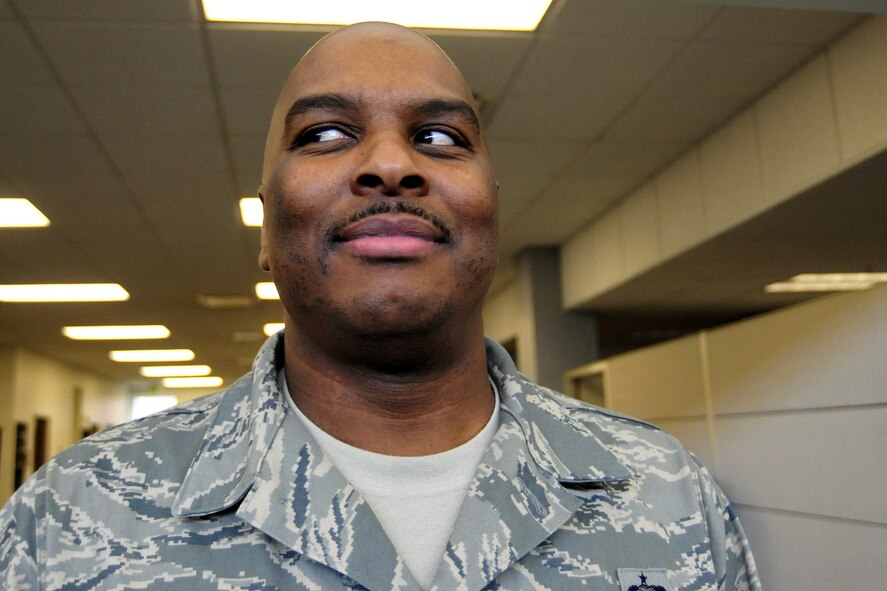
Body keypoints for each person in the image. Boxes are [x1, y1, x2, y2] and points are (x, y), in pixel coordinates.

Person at [0, 22, 760, 591]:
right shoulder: (72, 514)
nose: (392, 164)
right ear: (264, 225)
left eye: (438, 136)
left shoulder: (666, 491)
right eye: (325, 133)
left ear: (489, 214)